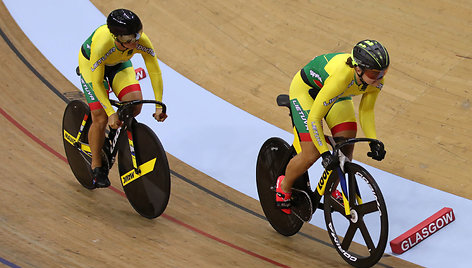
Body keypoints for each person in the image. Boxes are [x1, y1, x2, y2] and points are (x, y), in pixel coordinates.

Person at [276, 39, 388, 214]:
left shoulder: (375, 80)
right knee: (311, 153)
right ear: (358, 69)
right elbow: (314, 118)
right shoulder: (341, 77)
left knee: (347, 145)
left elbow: (366, 111)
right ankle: (283, 187)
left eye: (383, 72)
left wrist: (373, 141)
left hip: (337, 95)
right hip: (307, 92)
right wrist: (324, 153)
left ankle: (331, 189)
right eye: (374, 74)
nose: (380, 77)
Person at [78, 8, 167, 188]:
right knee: (100, 117)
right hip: (92, 67)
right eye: (129, 40)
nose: (135, 42)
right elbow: (97, 83)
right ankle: (97, 165)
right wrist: (110, 112)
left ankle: (112, 138)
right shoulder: (103, 44)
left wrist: (159, 104)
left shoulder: (139, 41)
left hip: (118, 63)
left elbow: (154, 70)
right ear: (116, 37)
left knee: (134, 105)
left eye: (137, 35)